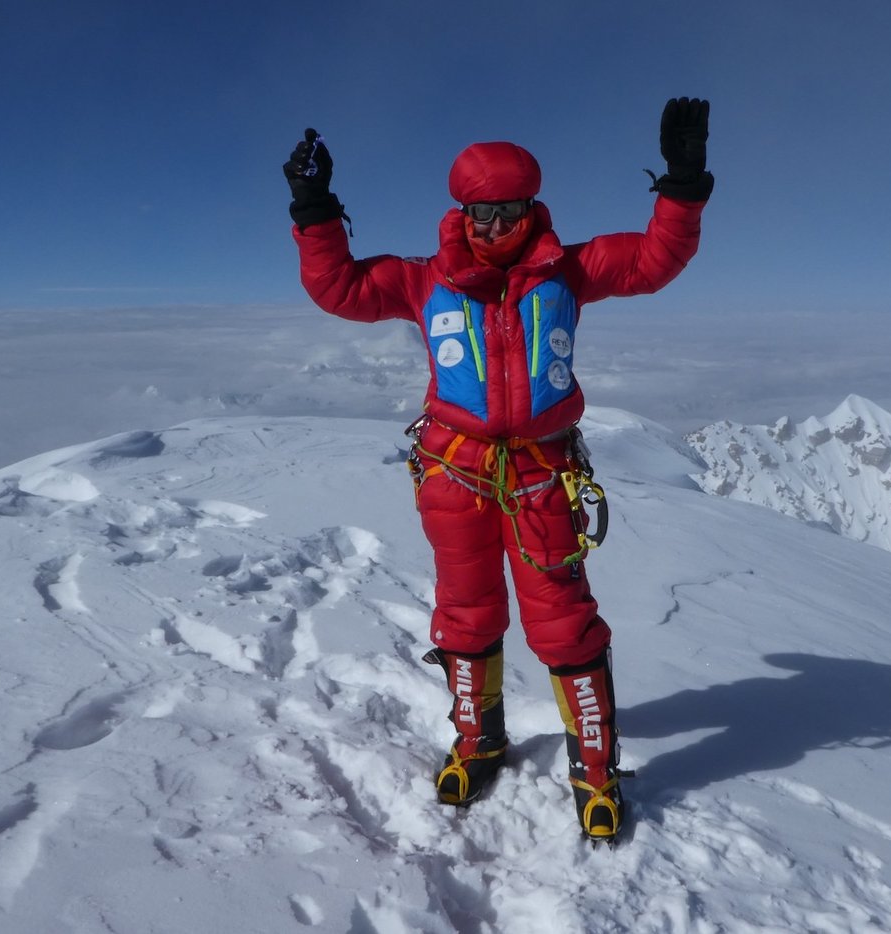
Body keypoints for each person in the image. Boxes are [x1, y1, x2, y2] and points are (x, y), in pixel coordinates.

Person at [283, 98, 713, 842]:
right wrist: (315, 209)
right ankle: (478, 741)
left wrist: (681, 184)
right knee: (466, 611)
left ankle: (594, 766)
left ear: (531, 208)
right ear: (461, 213)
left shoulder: (568, 272)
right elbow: (340, 288)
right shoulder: (427, 281)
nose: (491, 228)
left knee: (564, 621)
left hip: (543, 475)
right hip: (455, 472)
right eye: (478, 213)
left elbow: (652, 261)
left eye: (506, 211)